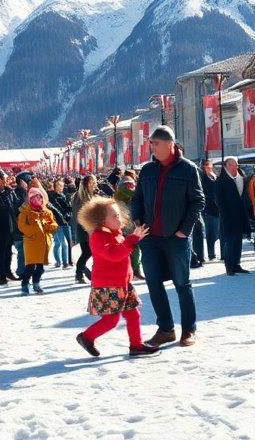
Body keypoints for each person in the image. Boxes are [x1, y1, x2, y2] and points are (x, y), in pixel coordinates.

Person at [129, 126, 205, 348]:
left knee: (182, 284)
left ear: (169, 144)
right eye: (151, 143)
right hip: (151, 239)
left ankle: (188, 330)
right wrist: (137, 220)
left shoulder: (188, 169)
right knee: (153, 284)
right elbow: (137, 199)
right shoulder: (147, 170)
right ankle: (166, 329)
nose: (151, 147)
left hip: (176, 239)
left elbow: (198, 201)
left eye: (155, 143)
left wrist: (184, 230)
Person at [73, 197, 159, 358]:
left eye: (119, 214)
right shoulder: (98, 237)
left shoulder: (116, 234)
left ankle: (136, 345)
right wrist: (132, 239)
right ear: (101, 221)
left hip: (123, 283)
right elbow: (114, 255)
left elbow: (123, 252)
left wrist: (134, 239)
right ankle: (86, 337)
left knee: (133, 314)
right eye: (114, 216)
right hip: (108, 286)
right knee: (110, 321)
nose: (119, 218)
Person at [16, 187, 57, 295]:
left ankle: (36, 284)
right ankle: (24, 284)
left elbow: (53, 225)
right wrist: (33, 231)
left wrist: (46, 226)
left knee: (40, 266)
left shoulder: (47, 212)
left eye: (39, 197)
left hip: (43, 242)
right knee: (30, 266)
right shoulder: (25, 211)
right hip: (31, 242)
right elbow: (21, 225)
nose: (37, 199)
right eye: (34, 197)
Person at [214, 157, 251, 276]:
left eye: (236, 165)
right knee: (229, 241)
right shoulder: (220, 181)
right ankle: (229, 266)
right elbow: (219, 201)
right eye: (232, 165)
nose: (235, 167)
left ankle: (236, 264)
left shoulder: (240, 179)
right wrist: (225, 215)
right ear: (226, 167)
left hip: (239, 215)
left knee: (238, 241)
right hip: (228, 216)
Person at [0, 171, 21, 285]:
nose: (2, 182)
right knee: (0, 253)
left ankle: (8, 271)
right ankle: (1, 275)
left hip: (11, 226)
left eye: (3, 179)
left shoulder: (9, 192)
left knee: (9, 251)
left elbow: (16, 206)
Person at [70, 175, 99, 284]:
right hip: (84, 228)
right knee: (87, 252)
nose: (94, 184)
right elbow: (79, 214)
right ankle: (80, 273)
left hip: (90, 228)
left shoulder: (90, 195)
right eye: (92, 182)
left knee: (88, 252)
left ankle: (83, 272)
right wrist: (88, 227)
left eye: (95, 182)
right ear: (86, 183)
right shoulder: (80, 196)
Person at [49, 178, 73, 270]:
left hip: (66, 221)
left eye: (62, 186)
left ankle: (67, 261)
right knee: (61, 243)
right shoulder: (52, 197)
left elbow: (68, 209)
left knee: (67, 242)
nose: (61, 187)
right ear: (55, 187)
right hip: (57, 222)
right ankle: (62, 262)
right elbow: (56, 209)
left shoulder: (63, 196)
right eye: (59, 186)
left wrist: (69, 203)